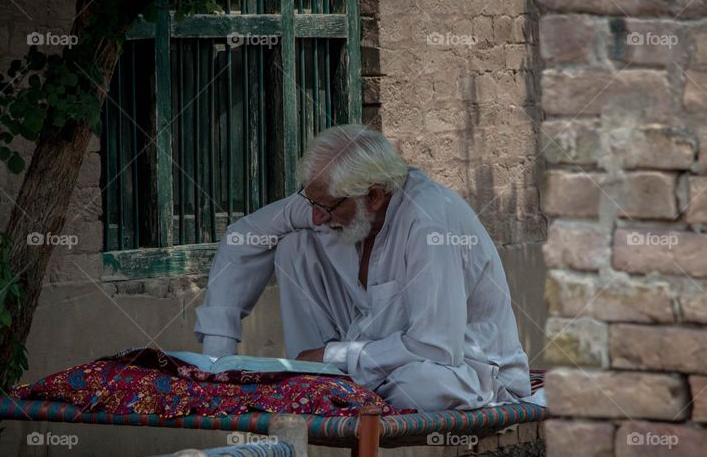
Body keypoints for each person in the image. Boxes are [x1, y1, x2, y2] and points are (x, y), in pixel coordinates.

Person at [194, 124, 531, 411]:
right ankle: (317, 378)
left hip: (466, 370)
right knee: (293, 243)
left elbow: (436, 348)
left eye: (326, 207)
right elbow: (245, 235)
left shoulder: (430, 225)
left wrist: (332, 355)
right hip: (369, 354)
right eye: (312, 202)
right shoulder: (330, 197)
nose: (315, 215)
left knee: (419, 385)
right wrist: (217, 360)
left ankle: (324, 375)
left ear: (373, 196)